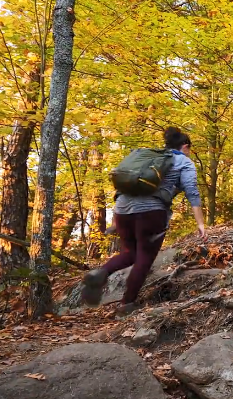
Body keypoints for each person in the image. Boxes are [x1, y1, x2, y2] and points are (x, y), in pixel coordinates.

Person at [81, 127, 206, 315]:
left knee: (130, 253)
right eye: (189, 149)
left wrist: (116, 223)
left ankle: (101, 273)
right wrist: (201, 224)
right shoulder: (183, 161)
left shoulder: (148, 157)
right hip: (151, 211)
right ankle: (126, 305)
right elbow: (192, 192)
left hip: (121, 209)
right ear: (185, 146)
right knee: (144, 258)